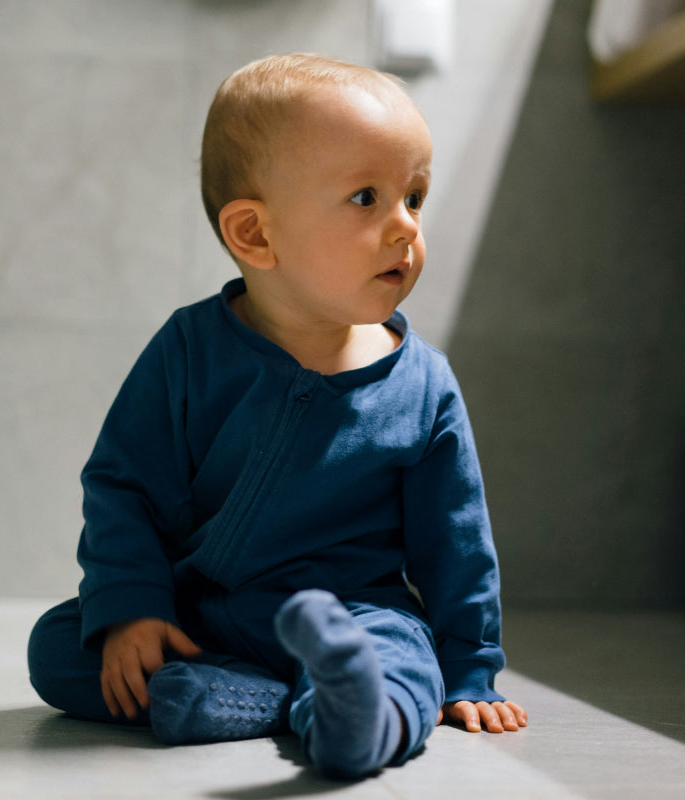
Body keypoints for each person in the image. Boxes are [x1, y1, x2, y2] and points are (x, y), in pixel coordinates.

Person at [28, 53, 527, 780]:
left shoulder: (423, 385)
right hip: (200, 612)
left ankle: (355, 716)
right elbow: (124, 487)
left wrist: (469, 669)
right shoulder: (189, 351)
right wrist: (134, 608)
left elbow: (456, 545)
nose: (405, 228)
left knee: (402, 661)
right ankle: (263, 697)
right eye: (366, 198)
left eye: (414, 196)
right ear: (255, 235)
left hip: (351, 615)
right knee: (61, 647)